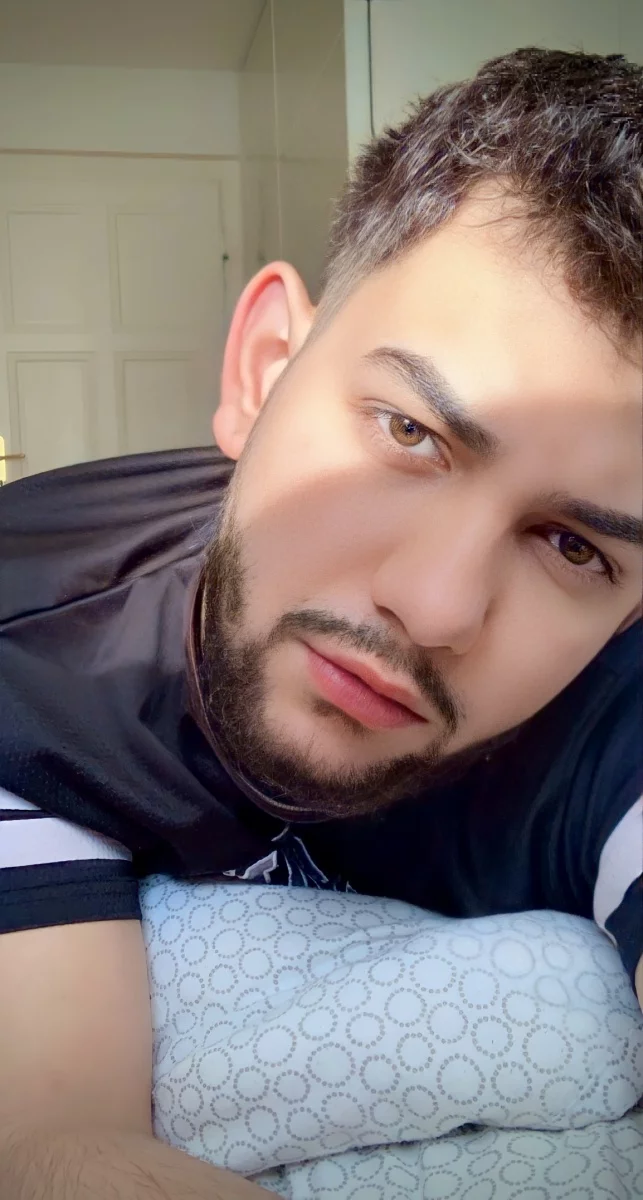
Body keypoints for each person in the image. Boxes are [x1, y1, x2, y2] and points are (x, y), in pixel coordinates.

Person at [0, 45, 641, 1200]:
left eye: (573, 547)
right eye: (409, 433)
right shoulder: (29, 647)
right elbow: (59, 1145)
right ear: (262, 370)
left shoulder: (617, 694)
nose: (435, 606)